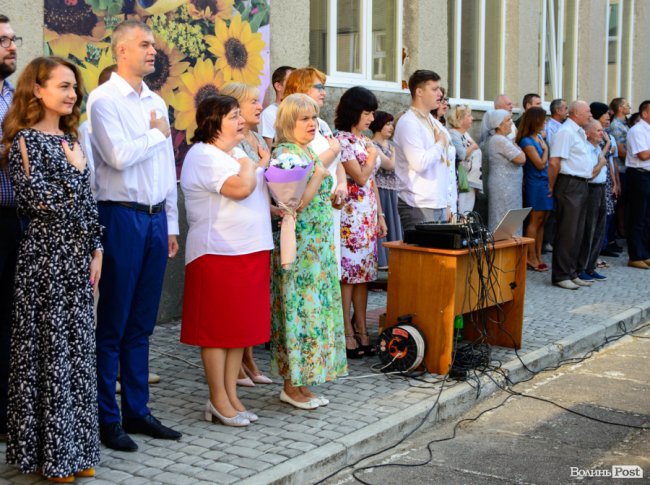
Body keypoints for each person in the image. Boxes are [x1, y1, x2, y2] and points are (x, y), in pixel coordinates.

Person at [2, 56, 102, 483]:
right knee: (48, 354)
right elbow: (38, 204)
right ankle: (50, 457)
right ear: (37, 90)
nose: (71, 94)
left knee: (78, 353)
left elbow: (88, 205)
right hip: (43, 259)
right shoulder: (25, 141)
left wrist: (97, 248)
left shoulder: (73, 139)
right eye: (62, 86)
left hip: (78, 258)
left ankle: (77, 450)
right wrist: (75, 174)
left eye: (74, 87)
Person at [87, 20, 181, 451]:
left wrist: (171, 222)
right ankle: (108, 418)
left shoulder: (156, 100)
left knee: (142, 323)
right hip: (119, 215)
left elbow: (164, 167)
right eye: (144, 44)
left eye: (154, 46)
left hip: (153, 217)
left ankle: (138, 411)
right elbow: (118, 157)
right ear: (121, 50)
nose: (153, 51)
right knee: (113, 322)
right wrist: (155, 132)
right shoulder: (104, 99)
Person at [180, 95, 273, 426]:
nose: (241, 121)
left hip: (249, 249)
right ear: (213, 121)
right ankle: (218, 400)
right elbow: (240, 189)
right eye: (234, 116)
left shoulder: (233, 153)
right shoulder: (204, 155)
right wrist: (253, 164)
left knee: (239, 331)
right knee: (218, 331)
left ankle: (232, 397)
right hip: (218, 251)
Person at [270, 93, 347, 409]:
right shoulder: (285, 154)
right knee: (299, 314)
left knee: (313, 314)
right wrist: (322, 168)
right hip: (299, 249)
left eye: (314, 118)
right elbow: (293, 205)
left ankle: (302, 384)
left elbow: (313, 199)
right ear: (289, 122)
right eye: (305, 118)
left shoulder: (303, 150)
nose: (313, 124)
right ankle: (291, 385)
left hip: (316, 247)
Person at [220, 82, 274, 387]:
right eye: (253, 101)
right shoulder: (235, 142)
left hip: (258, 224)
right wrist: (264, 165)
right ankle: (238, 364)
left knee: (251, 301)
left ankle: (248, 360)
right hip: (235, 231)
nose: (259, 106)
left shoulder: (254, 138)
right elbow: (246, 178)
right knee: (236, 304)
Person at [335, 87, 387, 359]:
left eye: (372, 113)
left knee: (365, 275)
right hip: (349, 216)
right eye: (367, 112)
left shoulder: (365, 141)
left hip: (366, 215)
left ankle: (361, 327)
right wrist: (372, 156)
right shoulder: (341, 140)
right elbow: (361, 176)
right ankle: (346, 330)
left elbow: (373, 183)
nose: (371, 118)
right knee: (348, 275)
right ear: (353, 111)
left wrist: (380, 215)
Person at [282, 67, 347, 273]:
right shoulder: (293, 124)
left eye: (324, 87)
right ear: (300, 88)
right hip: (308, 208)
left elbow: (338, 162)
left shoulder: (322, 124)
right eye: (318, 87)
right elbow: (305, 167)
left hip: (329, 207)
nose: (324, 92)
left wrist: (342, 184)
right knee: (312, 271)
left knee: (329, 268)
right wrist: (334, 149)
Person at [394, 70, 456, 231]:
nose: (440, 93)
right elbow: (420, 163)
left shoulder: (433, 121)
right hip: (418, 204)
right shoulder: (409, 123)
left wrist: (447, 202)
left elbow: (446, 164)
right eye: (434, 89)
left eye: (440, 89)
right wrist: (440, 143)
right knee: (423, 256)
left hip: (438, 202)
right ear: (419, 92)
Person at [548, 100, 594, 289]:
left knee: (578, 231)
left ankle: (572, 271)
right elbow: (554, 162)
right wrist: (551, 186)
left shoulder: (578, 131)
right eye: (587, 111)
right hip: (569, 184)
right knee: (567, 231)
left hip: (582, 184)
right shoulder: (565, 132)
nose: (590, 114)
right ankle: (561, 274)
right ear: (576, 113)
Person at [0, 14, 19, 441]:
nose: (11, 46)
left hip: (17, 220)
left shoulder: (13, 95)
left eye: (12, 39)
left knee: (9, 318)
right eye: (2, 40)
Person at [516, 106, 553, 270]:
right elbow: (539, 164)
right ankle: (530, 256)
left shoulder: (538, 137)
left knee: (543, 220)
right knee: (535, 219)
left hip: (544, 182)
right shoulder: (526, 141)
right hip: (535, 183)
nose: (545, 122)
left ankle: (538, 255)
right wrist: (546, 150)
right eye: (543, 119)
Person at [481, 109, 525, 232]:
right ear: (499, 124)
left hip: (509, 186)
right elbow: (521, 159)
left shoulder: (503, 140)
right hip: (504, 187)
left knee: (511, 219)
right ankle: (503, 249)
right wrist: (518, 148)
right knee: (503, 220)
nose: (511, 122)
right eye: (507, 120)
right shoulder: (498, 140)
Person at [576, 119, 609, 281]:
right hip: (591, 189)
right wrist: (601, 163)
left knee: (599, 229)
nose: (601, 133)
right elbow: (589, 174)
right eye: (598, 130)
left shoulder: (597, 148)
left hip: (601, 188)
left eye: (602, 130)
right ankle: (581, 267)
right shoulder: (586, 149)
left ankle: (591, 266)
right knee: (588, 228)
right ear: (588, 133)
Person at [370, 110, 402, 269]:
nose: (391, 127)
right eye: (387, 124)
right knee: (383, 222)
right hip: (381, 189)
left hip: (393, 189)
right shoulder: (373, 145)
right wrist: (396, 152)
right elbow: (389, 164)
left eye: (391, 124)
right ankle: (381, 262)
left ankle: (393, 260)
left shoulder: (390, 145)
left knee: (394, 223)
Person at [624, 100, 650, 269]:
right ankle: (635, 255)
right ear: (644, 114)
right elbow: (643, 155)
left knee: (648, 217)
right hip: (639, 175)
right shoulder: (637, 130)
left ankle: (646, 253)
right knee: (637, 216)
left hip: (647, 175)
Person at [448, 104, 482, 215]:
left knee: (467, 213)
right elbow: (462, 155)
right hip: (461, 182)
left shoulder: (464, 134)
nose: (472, 118)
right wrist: (472, 147)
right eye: (469, 115)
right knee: (461, 213)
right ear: (460, 118)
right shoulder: (453, 134)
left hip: (470, 182)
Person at [609, 97, 631, 238]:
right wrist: (637, 156)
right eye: (626, 105)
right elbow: (621, 150)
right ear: (621, 108)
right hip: (621, 168)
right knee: (619, 202)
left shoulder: (625, 124)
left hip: (626, 167)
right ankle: (619, 230)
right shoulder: (616, 126)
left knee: (624, 202)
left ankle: (621, 229)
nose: (629, 106)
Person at [259, 65, 294, 148]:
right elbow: (270, 149)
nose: (296, 85)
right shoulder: (269, 114)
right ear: (278, 86)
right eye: (292, 81)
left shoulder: (302, 111)